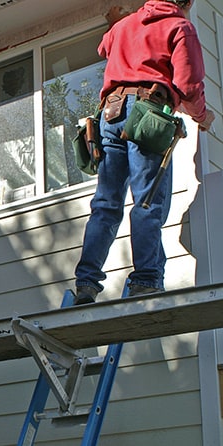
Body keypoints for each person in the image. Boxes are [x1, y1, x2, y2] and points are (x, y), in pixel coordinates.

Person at [74, 0, 215, 305]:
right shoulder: (180, 27)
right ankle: (146, 279)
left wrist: (126, 24)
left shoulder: (123, 26)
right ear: (187, 2)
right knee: (148, 201)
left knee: (106, 203)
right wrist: (202, 117)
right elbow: (188, 85)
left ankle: (86, 282)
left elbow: (104, 47)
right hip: (148, 113)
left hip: (110, 114)